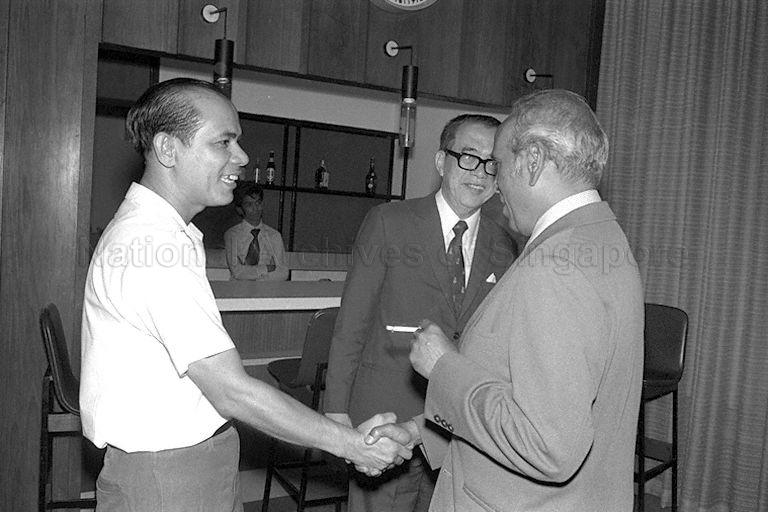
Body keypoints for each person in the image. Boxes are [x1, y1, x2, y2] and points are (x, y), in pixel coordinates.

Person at [79, 77, 412, 512]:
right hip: (169, 477)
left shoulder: (162, 236)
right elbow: (231, 391)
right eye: (224, 141)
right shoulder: (149, 249)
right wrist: (353, 445)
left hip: (189, 466)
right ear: (167, 149)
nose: (242, 156)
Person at [370, 89, 645, 511]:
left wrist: (443, 367)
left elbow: (547, 444)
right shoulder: (602, 239)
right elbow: (523, 389)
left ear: (531, 161)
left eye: (499, 165)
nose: (495, 186)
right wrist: (420, 432)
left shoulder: (558, 265)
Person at [324, 114, 518, 511]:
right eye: (468, 157)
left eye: (492, 163)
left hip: (458, 426)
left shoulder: (504, 243)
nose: (480, 172)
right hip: (383, 416)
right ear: (440, 161)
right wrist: (336, 413)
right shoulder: (389, 222)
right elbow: (352, 325)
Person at [224, 182, 289, 280]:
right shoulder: (232, 235)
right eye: (249, 204)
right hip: (238, 290)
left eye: (258, 203)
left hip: (266, 291)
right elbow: (237, 272)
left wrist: (260, 279)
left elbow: (283, 272)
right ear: (240, 209)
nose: (255, 208)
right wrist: (266, 268)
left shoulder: (274, 235)